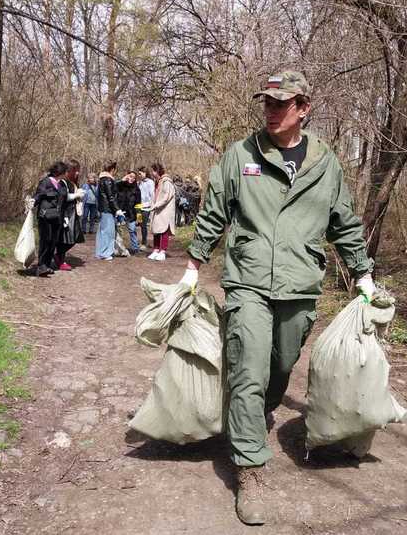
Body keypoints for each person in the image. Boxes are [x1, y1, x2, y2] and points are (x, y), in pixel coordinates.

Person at [178, 71, 376, 525]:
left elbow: (344, 223)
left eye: (280, 104)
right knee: (246, 367)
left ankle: (260, 408)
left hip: (300, 283)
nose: (270, 110)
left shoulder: (325, 164)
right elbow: (213, 213)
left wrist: (362, 274)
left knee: (281, 365)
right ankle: (250, 467)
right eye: (266, 102)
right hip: (247, 280)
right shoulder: (241, 155)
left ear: (303, 108)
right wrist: (192, 268)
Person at [32, 161, 68, 276]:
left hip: (57, 217)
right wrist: (32, 202)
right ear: (60, 172)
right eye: (65, 171)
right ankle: (41, 266)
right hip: (45, 217)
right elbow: (38, 196)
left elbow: (64, 202)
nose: (66, 174)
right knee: (45, 241)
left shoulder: (62, 184)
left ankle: (47, 265)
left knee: (53, 241)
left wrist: (65, 216)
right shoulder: (45, 182)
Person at [55, 159, 86, 270]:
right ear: (69, 171)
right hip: (66, 213)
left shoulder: (73, 182)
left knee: (76, 236)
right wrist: (75, 195)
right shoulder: (62, 182)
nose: (78, 173)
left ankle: (58, 256)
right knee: (66, 238)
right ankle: (60, 259)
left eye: (78, 170)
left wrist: (79, 195)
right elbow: (62, 197)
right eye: (75, 170)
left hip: (74, 213)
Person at [148, 162, 176, 262]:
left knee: (164, 230)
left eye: (153, 171)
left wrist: (155, 205)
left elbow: (166, 197)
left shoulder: (167, 182)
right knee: (156, 230)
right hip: (157, 210)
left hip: (165, 211)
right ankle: (156, 250)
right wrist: (150, 205)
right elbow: (155, 196)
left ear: (157, 171)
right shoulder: (157, 181)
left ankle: (162, 251)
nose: (151, 173)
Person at [95, 161, 121, 261]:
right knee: (108, 232)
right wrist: (117, 209)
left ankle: (100, 252)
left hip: (102, 208)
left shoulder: (101, 179)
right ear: (112, 169)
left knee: (102, 231)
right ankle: (105, 253)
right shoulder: (108, 180)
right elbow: (111, 196)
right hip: (108, 209)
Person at [116, 170, 141, 255]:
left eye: (134, 177)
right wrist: (122, 180)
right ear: (127, 176)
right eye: (130, 176)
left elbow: (138, 203)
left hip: (132, 213)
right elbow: (113, 187)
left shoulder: (136, 189)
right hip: (120, 212)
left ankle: (135, 248)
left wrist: (139, 216)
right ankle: (120, 249)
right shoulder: (120, 186)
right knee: (119, 231)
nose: (132, 179)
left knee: (132, 230)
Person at [137, 166, 155, 250]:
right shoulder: (139, 182)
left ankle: (144, 243)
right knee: (140, 224)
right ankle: (141, 242)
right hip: (138, 207)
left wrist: (151, 206)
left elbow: (152, 196)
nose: (139, 175)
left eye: (140, 173)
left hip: (146, 208)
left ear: (145, 173)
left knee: (144, 225)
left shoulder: (150, 182)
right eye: (139, 174)